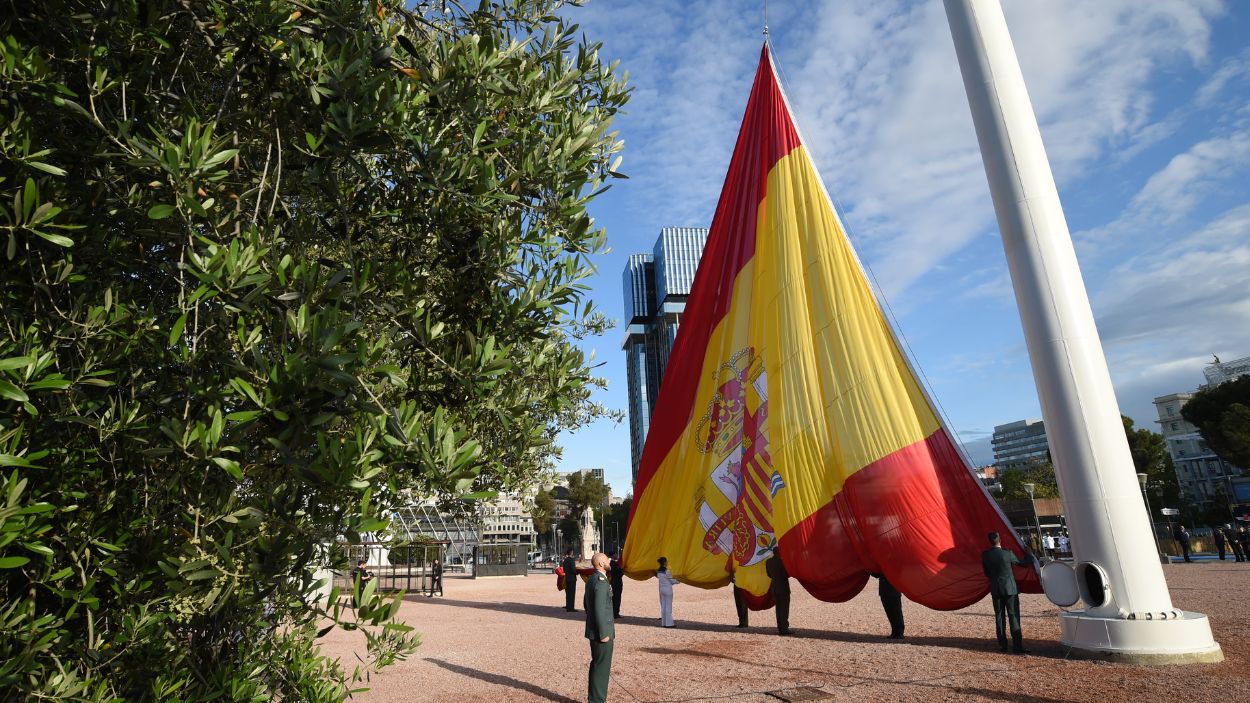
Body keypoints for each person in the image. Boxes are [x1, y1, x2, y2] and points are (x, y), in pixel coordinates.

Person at [982, 531, 1033, 654]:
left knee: (999, 618)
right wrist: (1029, 554)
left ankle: (1003, 646)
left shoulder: (985, 555)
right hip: (1010, 589)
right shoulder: (1007, 553)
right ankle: (1017, 647)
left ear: (990, 541)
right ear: (1000, 540)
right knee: (1013, 616)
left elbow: (987, 573)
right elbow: (1024, 564)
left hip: (996, 589)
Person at [584, 552, 615, 703]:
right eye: (606, 559)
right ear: (601, 564)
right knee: (601, 667)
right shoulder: (601, 582)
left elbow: (586, 604)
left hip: (594, 630)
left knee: (597, 664)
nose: (609, 560)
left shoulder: (592, 579)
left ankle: (594, 698)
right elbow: (598, 609)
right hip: (602, 632)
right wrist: (603, 633)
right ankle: (597, 700)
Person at [765, 552, 792, 635]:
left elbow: (768, 574)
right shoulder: (783, 561)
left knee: (778, 608)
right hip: (783, 587)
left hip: (775, 587)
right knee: (784, 608)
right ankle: (784, 629)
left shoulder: (768, 562)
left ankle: (780, 627)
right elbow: (788, 574)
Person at [873, 573, 905, 639]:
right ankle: (895, 632)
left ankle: (899, 633)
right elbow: (877, 574)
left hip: (892, 591)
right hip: (885, 591)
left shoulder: (893, 566)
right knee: (891, 613)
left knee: (896, 612)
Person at [656, 556, 678, 627]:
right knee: (668, 606)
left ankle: (664, 623)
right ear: (665, 562)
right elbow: (672, 581)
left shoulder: (658, 571)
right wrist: (679, 580)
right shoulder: (667, 571)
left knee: (663, 607)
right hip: (668, 589)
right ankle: (669, 624)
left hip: (662, 589)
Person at [609, 552, 624, 619]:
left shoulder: (613, 563)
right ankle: (615, 613)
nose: (616, 555)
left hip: (614, 582)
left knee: (615, 598)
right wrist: (622, 570)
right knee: (616, 598)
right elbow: (618, 573)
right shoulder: (613, 563)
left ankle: (615, 612)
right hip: (616, 582)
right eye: (615, 554)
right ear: (613, 555)